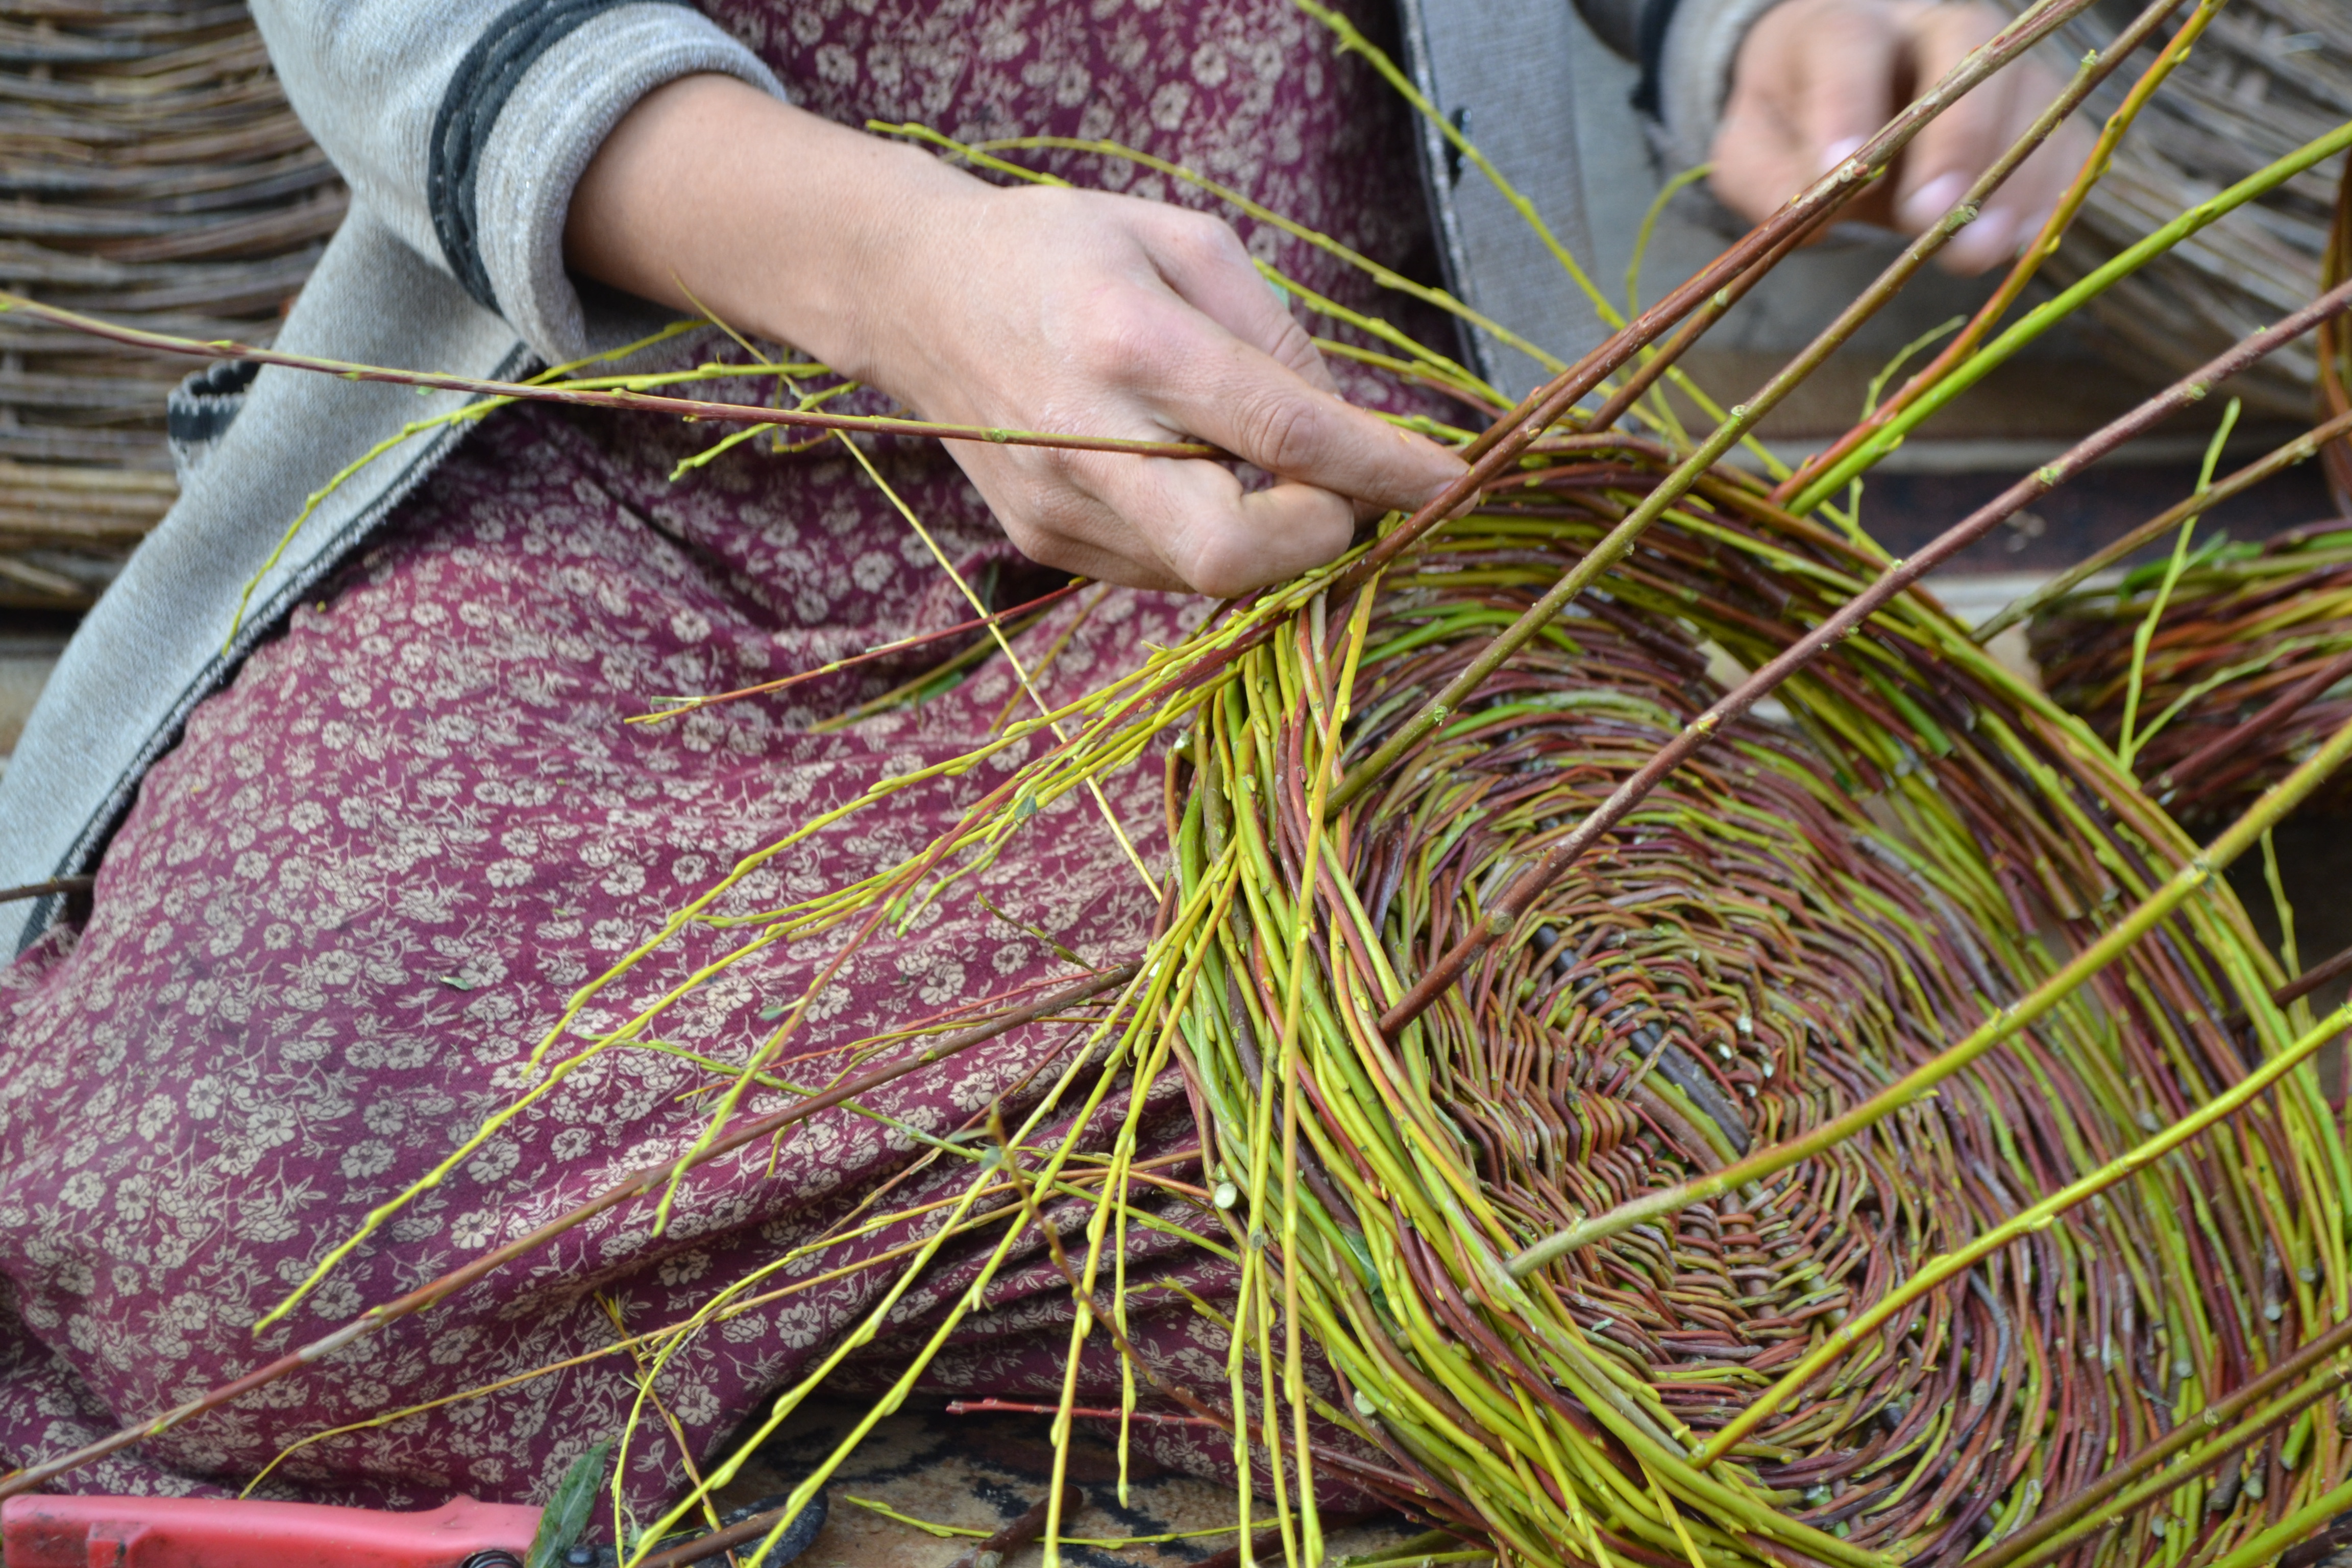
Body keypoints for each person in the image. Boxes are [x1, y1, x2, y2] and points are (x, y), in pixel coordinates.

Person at [0, 0, 2079, 1525]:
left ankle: (1214, 1250)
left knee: (1843, 1276)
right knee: (216, 1215)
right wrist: (904, 270)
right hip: (630, 488)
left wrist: (1781, 29)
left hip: (1272, 514)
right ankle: (1277, 1256)